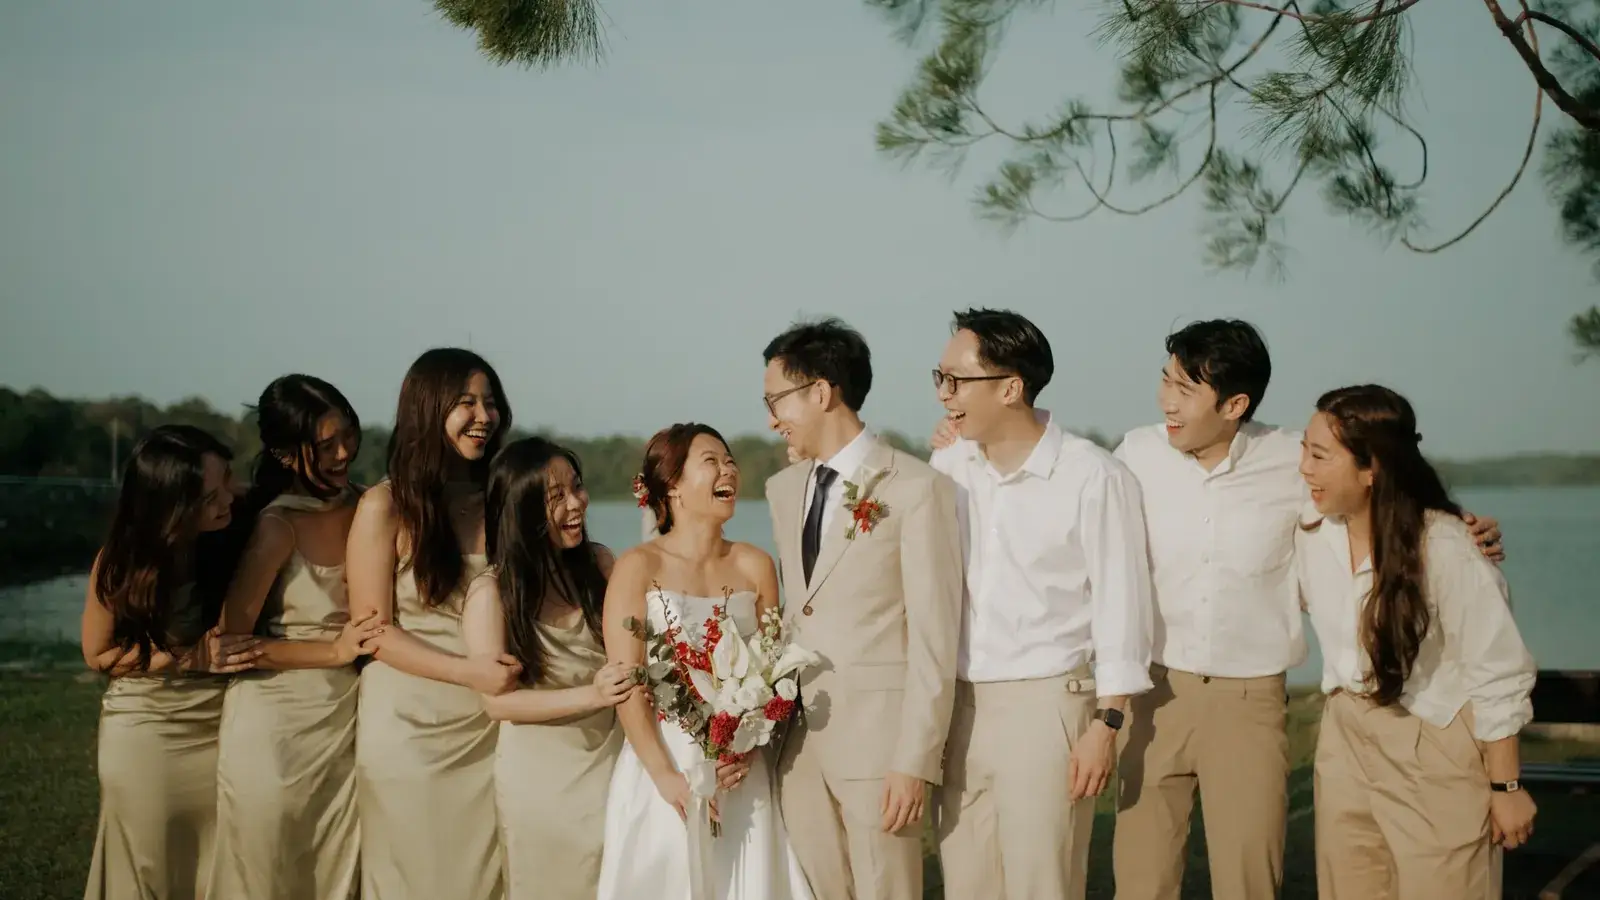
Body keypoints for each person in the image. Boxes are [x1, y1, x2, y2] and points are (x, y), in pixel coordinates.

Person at [928, 318, 1506, 899]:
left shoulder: (1291, 463)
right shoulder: (1135, 454)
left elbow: (1371, 499)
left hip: (1246, 702)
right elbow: (1062, 503)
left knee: (1247, 877)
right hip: (1155, 694)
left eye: (1184, 389)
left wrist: (1451, 525)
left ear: (1235, 404)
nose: (1166, 401)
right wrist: (966, 442)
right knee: (1140, 878)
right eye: (1165, 381)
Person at [927, 309, 1154, 900]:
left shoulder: (1093, 476)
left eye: (958, 380)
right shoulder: (947, 468)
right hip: (960, 705)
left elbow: (1122, 606)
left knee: (1041, 884)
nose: (945, 394)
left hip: (1047, 705)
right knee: (966, 884)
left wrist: (1107, 724)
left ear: (1010, 388)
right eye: (940, 378)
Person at [1296, 384, 1536, 899]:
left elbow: (1498, 670)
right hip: (1345, 737)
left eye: (1319, 455)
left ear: (1371, 468)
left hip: (1432, 736)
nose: (1304, 469)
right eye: (1304, 450)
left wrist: (1506, 786)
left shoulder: (1445, 545)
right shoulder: (1312, 529)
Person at [761, 319, 964, 900]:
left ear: (821, 393)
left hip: (880, 747)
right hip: (796, 745)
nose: (772, 419)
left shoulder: (916, 488)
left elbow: (934, 633)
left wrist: (915, 759)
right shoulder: (781, 489)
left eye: (776, 400)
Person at [597, 423, 813, 900]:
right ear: (672, 485)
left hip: (741, 766)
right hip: (664, 759)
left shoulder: (755, 564)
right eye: (711, 460)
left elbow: (774, 671)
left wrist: (748, 748)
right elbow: (629, 683)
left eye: (730, 460)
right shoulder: (638, 566)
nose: (728, 470)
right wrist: (666, 777)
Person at [346, 348, 520, 900]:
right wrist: (470, 672)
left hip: (497, 723)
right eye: (466, 402)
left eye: (490, 403)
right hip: (412, 729)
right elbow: (373, 632)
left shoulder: (505, 500)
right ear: (427, 407)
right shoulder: (386, 505)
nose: (483, 416)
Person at [208, 375, 381, 900]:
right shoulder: (277, 525)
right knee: (273, 870)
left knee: (336, 874)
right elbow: (228, 642)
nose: (344, 452)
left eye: (348, 435)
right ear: (286, 454)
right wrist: (333, 650)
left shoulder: (369, 504)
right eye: (325, 445)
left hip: (346, 719)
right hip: (276, 727)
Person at [80, 425, 261, 900]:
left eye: (228, 479)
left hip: (224, 725)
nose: (228, 497)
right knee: (150, 866)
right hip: (149, 730)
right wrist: (184, 658)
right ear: (170, 505)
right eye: (209, 496)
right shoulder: (122, 561)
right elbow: (99, 654)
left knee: (222, 867)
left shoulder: (239, 528)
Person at [463, 437, 628, 900]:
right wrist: (593, 695)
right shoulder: (491, 595)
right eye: (557, 497)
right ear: (522, 510)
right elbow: (496, 702)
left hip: (614, 765)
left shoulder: (599, 564)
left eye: (577, 488)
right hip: (541, 784)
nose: (576, 504)